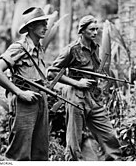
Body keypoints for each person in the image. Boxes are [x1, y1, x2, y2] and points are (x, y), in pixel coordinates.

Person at [47, 15, 122, 161]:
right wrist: (76, 83)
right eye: (91, 30)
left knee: (109, 136)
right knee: (74, 140)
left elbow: (96, 70)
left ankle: (115, 160)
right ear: (82, 30)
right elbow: (51, 72)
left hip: (93, 97)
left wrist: (102, 79)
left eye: (96, 29)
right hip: (76, 96)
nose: (95, 33)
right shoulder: (71, 50)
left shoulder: (95, 47)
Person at [0, 7, 50, 161]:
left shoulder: (39, 48)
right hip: (25, 102)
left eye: (46, 22)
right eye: (41, 23)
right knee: (20, 152)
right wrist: (19, 93)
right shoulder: (19, 47)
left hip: (40, 99)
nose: (46, 26)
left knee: (40, 151)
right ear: (30, 26)